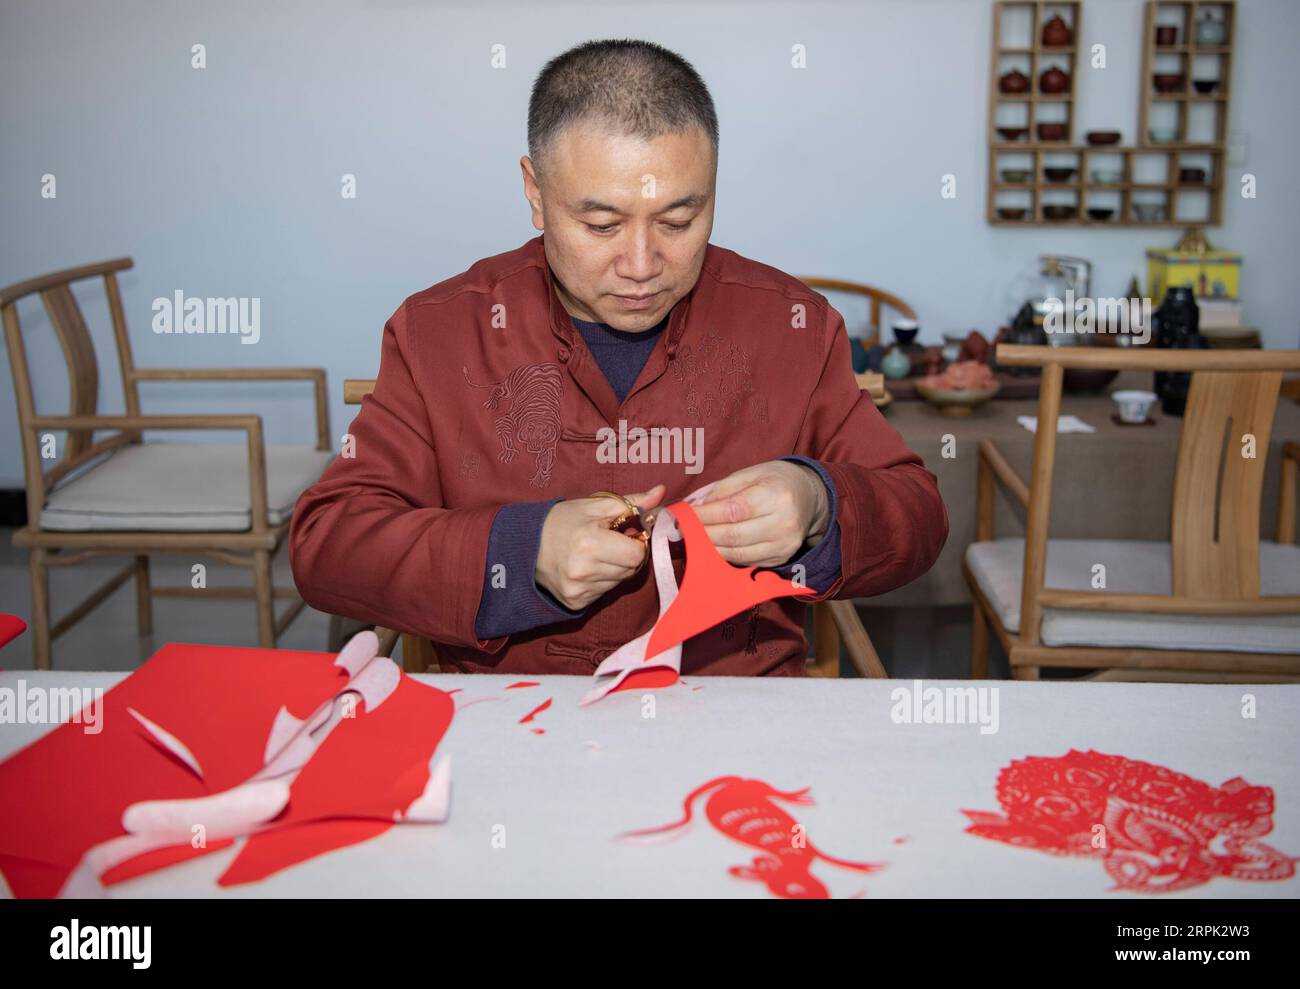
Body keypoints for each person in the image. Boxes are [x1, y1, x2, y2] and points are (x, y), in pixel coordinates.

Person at [290, 39, 947, 675]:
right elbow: (329, 544)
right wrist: (518, 552)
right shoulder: (442, 332)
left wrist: (818, 502)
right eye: (601, 225)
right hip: (510, 724)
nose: (641, 266)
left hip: (734, 724)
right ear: (535, 191)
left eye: (679, 220)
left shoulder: (790, 325)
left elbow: (917, 512)